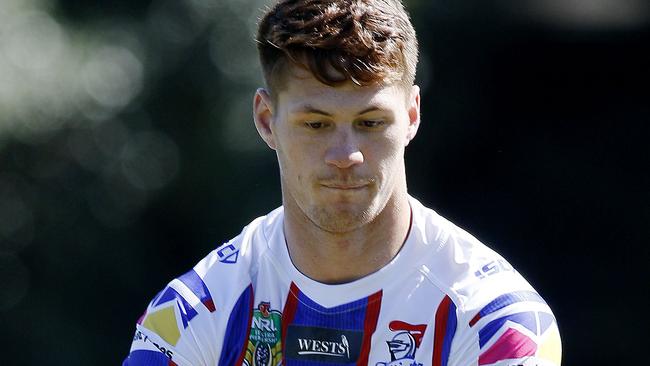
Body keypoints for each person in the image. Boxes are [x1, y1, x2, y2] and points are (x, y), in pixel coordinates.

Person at [123, 0, 562, 365]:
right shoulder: (189, 319)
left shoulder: (498, 327)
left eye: (370, 122)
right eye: (316, 124)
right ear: (265, 120)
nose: (345, 155)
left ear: (411, 116)